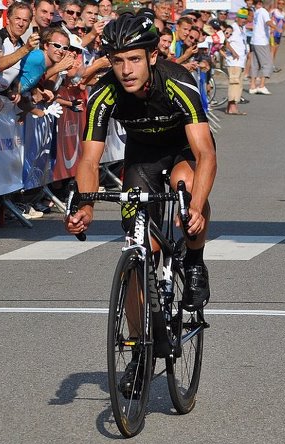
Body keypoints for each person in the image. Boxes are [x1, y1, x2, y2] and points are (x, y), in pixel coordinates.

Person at [64, 12, 217, 395]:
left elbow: (206, 153)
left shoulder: (179, 82)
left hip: (181, 150)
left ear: (151, 56)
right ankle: (139, 352)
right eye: (117, 61)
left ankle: (194, 264)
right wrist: (85, 206)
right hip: (142, 160)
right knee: (137, 256)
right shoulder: (104, 93)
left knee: (186, 190)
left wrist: (196, 208)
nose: (126, 69)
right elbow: (88, 160)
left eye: (134, 59)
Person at [248, 0, 278, 95]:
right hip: (261, 41)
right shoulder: (263, 11)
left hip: (254, 40)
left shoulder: (256, 12)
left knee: (255, 63)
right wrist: (276, 28)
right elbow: (268, 22)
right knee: (267, 63)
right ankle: (261, 85)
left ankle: (252, 86)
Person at [224, 8, 248, 115]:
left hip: (241, 61)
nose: (243, 20)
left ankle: (231, 107)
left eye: (245, 18)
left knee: (239, 84)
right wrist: (233, 52)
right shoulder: (232, 28)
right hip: (234, 61)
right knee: (234, 83)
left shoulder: (243, 29)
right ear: (237, 18)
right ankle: (232, 108)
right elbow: (226, 41)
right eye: (242, 18)